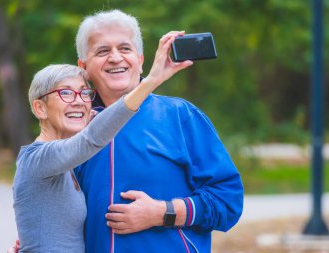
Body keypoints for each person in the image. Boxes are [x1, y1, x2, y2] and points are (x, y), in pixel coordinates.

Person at [74, 9, 244, 253]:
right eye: (102, 51)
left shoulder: (179, 115)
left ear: (141, 59)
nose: (115, 58)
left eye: (125, 48)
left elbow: (228, 202)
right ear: (84, 67)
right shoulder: (73, 128)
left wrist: (163, 213)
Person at [13, 32, 191, 252]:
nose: (78, 102)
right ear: (40, 108)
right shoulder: (37, 158)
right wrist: (152, 81)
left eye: (84, 93)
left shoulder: (68, 164)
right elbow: (91, 140)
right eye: (66, 93)